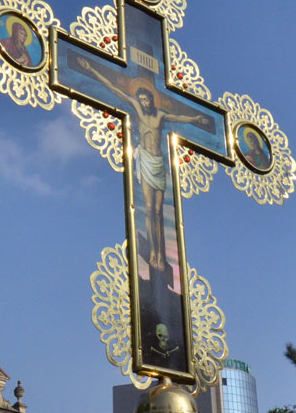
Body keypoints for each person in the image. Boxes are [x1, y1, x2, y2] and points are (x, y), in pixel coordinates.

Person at [73, 57, 211, 272]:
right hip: (145, 161)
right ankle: (153, 253)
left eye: (147, 99)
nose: (145, 102)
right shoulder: (136, 108)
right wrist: (91, 68)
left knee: (158, 210)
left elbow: (179, 116)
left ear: (152, 101)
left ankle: (160, 254)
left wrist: (196, 119)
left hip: (159, 163)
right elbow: (115, 90)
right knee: (148, 209)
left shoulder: (161, 115)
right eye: (143, 99)